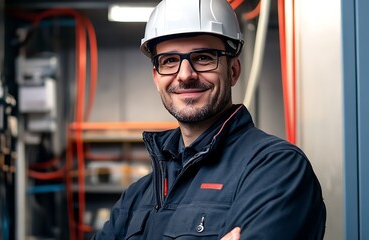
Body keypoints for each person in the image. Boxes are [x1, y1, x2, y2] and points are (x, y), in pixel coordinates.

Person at [93, 0, 326, 239]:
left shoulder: (275, 169)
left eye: (203, 57)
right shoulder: (137, 196)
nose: (185, 75)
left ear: (233, 71)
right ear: (156, 77)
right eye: (170, 61)